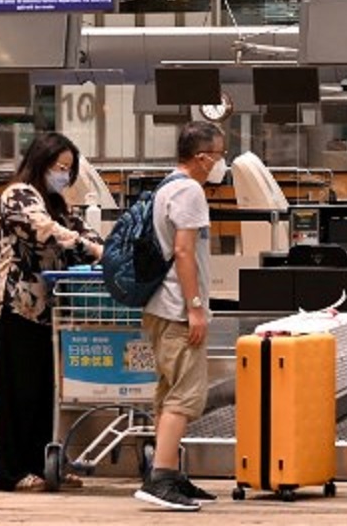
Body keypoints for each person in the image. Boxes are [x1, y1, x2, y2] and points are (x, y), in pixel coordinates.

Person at [0, 132, 103, 492]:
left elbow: (83, 234)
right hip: (12, 307)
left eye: (69, 169)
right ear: (40, 163)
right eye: (59, 167)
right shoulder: (18, 194)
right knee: (13, 393)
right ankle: (10, 472)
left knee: (40, 392)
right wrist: (91, 248)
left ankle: (41, 465)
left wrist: (103, 247)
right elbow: (44, 233)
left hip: (44, 311)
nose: (63, 175)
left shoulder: (57, 203)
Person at [133, 121, 227, 511]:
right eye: (219, 155)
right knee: (184, 398)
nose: (222, 163)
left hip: (159, 306)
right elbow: (185, 253)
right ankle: (161, 480)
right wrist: (195, 308)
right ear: (202, 157)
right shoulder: (189, 191)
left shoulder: (167, 186)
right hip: (177, 309)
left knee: (169, 394)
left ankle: (168, 472)